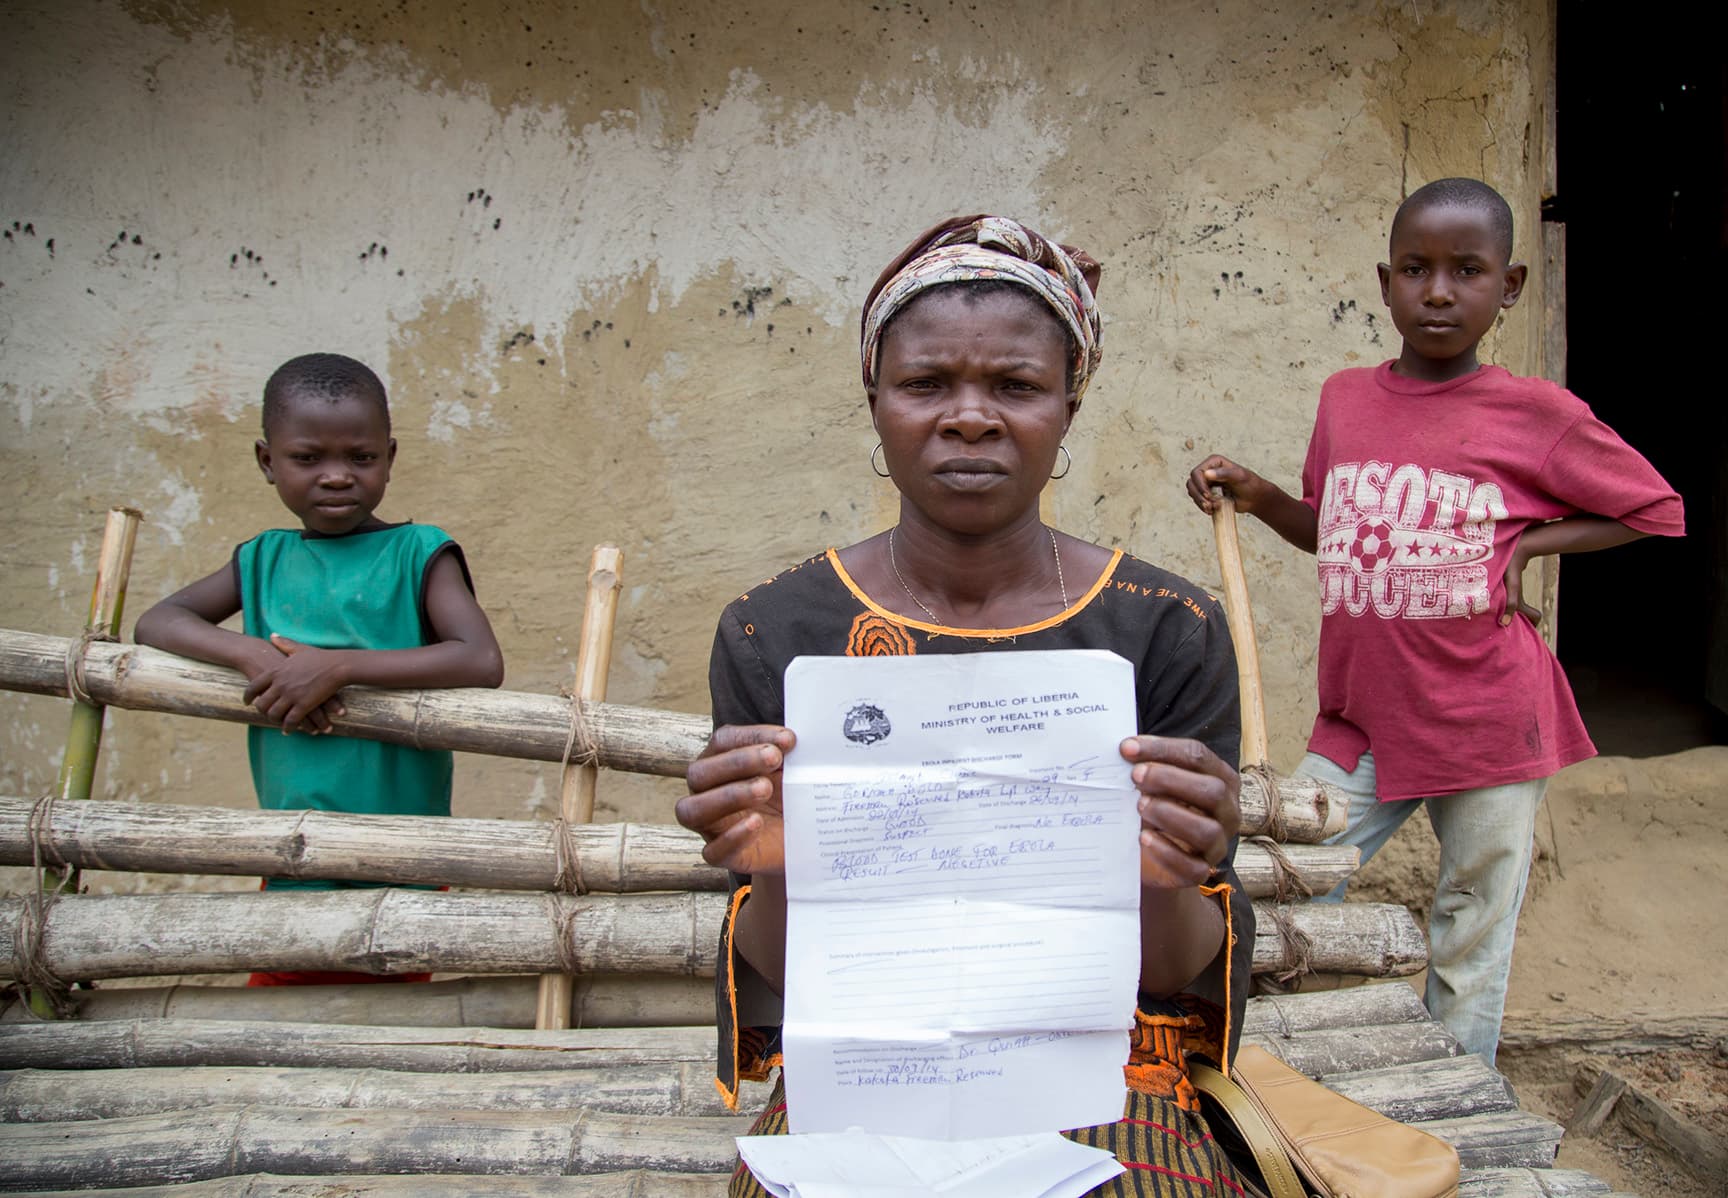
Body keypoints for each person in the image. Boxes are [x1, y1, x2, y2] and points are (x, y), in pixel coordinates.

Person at [678, 215, 1254, 1197]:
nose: (971, 417)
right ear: (874, 399)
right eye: (926, 384)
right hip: (867, 1062)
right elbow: (785, 969)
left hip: (1105, 1059)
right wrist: (767, 862)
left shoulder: (1165, 629)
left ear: (1070, 404)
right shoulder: (774, 633)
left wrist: (1164, 873)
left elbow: (1176, 967)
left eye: (1016, 386)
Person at [1186, 178, 1684, 1063]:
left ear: (1512, 285)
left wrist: (1529, 545)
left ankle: (1463, 1096)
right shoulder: (1346, 399)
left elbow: (1654, 509)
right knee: (1289, 882)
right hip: (1363, 717)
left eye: (1468, 270)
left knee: (1471, 921)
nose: (1440, 291)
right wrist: (1261, 498)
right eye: (1417, 270)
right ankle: (1284, 1069)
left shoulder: (1536, 414)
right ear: (1385, 282)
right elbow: (1336, 528)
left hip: (1490, 717)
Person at [135, 352, 504, 985]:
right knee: (282, 1013)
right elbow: (158, 622)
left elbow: (480, 657)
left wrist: (334, 669)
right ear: (266, 461)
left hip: (403, 856)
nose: (337, 477)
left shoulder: (416, 552)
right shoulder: (262, 559)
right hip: (292, 856)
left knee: (403, 1023)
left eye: (360, 459)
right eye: (309, 459)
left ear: (389, 458)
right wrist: (253, 654)